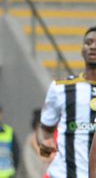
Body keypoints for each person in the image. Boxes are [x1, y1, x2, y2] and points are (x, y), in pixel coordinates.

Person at [39, 26, 96, 177]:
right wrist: (46, 152)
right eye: (88, 42)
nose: (93, 46)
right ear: (82, 50)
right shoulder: (60, 88)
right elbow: (45, 134)